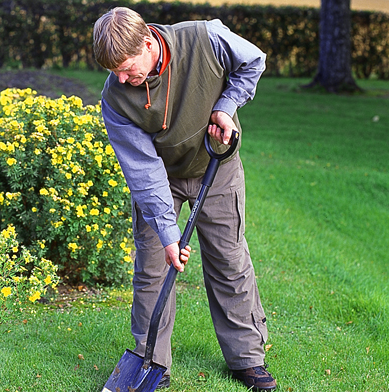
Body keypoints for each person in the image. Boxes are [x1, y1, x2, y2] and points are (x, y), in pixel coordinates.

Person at [93, 7, 276, 391]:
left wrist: (226, 107)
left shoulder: (204, 38)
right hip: (161, 176)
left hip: (216, 161)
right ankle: (151, 362)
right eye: (114, 72)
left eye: (126, 68)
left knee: (229, 259)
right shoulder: (116, 99)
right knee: (153, 269)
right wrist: (167, 232)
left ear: (147, 43)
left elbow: (252, 61)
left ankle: (247, 358)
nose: (122, 78)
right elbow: (143, 171)